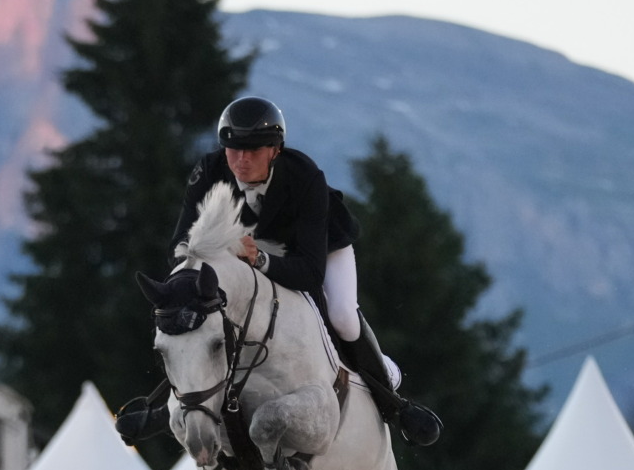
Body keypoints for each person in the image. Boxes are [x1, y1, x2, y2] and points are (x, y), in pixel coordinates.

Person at [164, 97, 442, 447]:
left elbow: (309, 273)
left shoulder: (306, 177)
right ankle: (177, 401)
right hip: (249, 248)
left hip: (319, 247)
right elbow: (181, 240)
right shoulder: (210, 170)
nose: (240, 159)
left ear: (276, 150)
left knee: (341, 317)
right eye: (233, 149)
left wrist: (259, 261)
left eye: (252, 149)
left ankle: (392, 402)